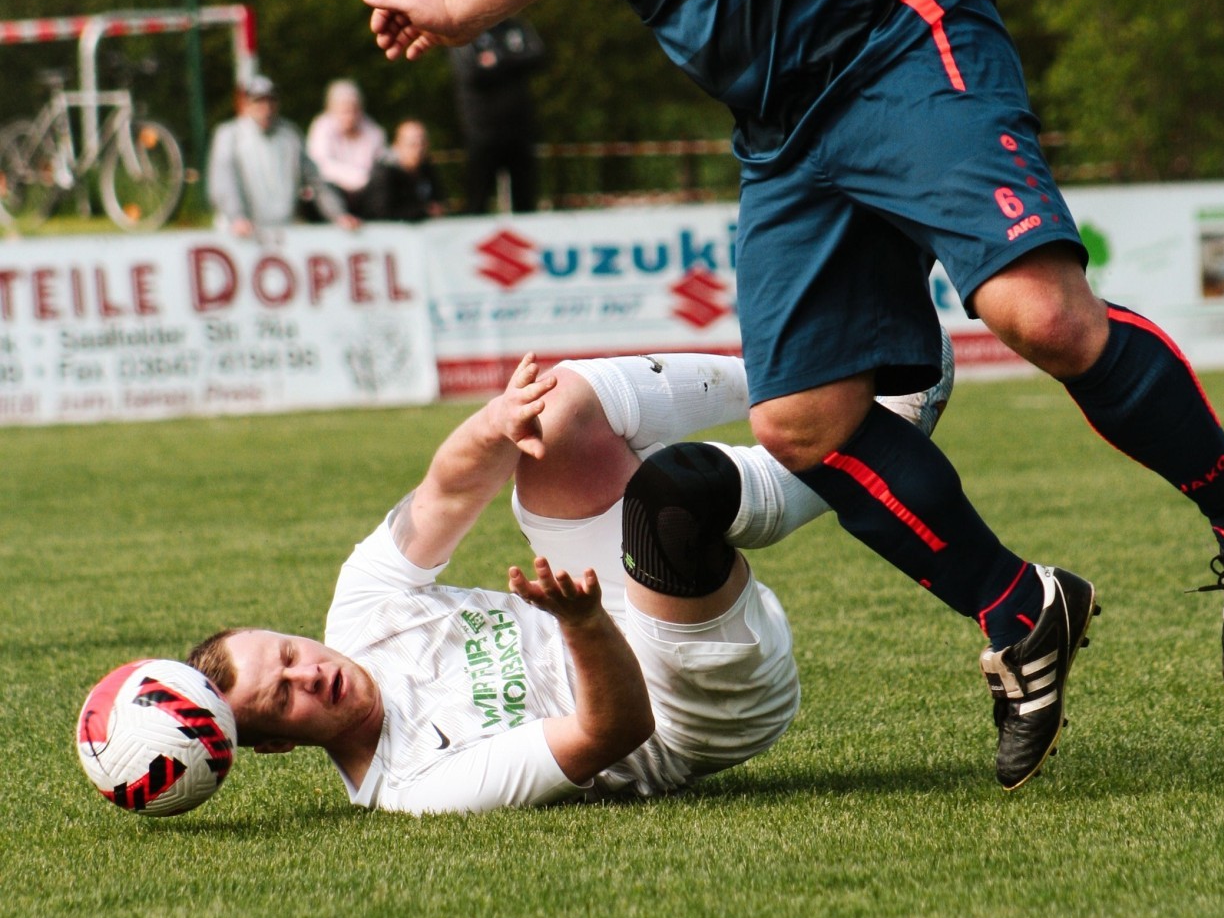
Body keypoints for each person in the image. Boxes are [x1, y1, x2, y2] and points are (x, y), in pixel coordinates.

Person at [359, 0, 1224, 792]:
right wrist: (465, 6)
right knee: (801, 423)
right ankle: (1021, 613)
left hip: (904, 49)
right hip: (785, 140)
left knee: (1040, 316)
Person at [185, 349, 950, 815]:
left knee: (553, 411)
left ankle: (807, 379)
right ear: (279, 746)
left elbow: (447, 492)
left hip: (605, 603)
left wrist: (490, 427)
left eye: (287, 654)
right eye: (282, 696)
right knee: (672, 500)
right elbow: (608, 732)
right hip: (685, 707)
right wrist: (583, 626)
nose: (309, 673)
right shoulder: (415, 787)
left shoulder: (360, 612)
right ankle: (882, 433)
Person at [207, 74, 359, 236]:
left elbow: (316, 180)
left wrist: (338, 214)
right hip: (242, 234)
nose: (266, 109)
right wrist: (237, 217)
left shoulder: (290, 135)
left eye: (271, 101)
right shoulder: (229, 135)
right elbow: (224, 182)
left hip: (283, 232)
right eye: (259, 102)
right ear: (246, 104)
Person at [450, 17, 546, 213]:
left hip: (519, 131)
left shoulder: (516, 26)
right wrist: (515, 62)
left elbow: (538, 55)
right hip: (482, 134)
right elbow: (472, 72)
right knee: (477, 203)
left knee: (526, 203)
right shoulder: (467, 30)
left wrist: (499, 59)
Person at [306, 79, 387, 213]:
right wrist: (358, 178)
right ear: (331, 109)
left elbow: (379, 163)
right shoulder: (321, 127)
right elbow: (321, 166)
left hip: (365, 195)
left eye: (354, 110)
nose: (350, 116)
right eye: (344, 111)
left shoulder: (373, 131)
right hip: (333, 193)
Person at [358, 119, 448, 221]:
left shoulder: (428, 170)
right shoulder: (384, 174)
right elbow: (381, 214)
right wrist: (423, 211)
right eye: (412, 144)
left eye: (422, 143)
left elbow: (440, 199)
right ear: (397, 145)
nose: (419, 149)